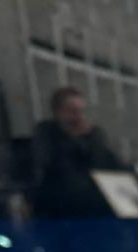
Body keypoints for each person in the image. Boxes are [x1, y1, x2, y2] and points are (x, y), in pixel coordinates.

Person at [31, 86, 126, 218]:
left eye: (81, 111)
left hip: (94, 205)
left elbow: (108, 164)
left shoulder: (92, 135)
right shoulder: (46, 134)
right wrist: (73, 139)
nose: (79, 117)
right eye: (72, 111)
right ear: (58, 112)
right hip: (60, 205)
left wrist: (93, 141)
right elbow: (51, 166)